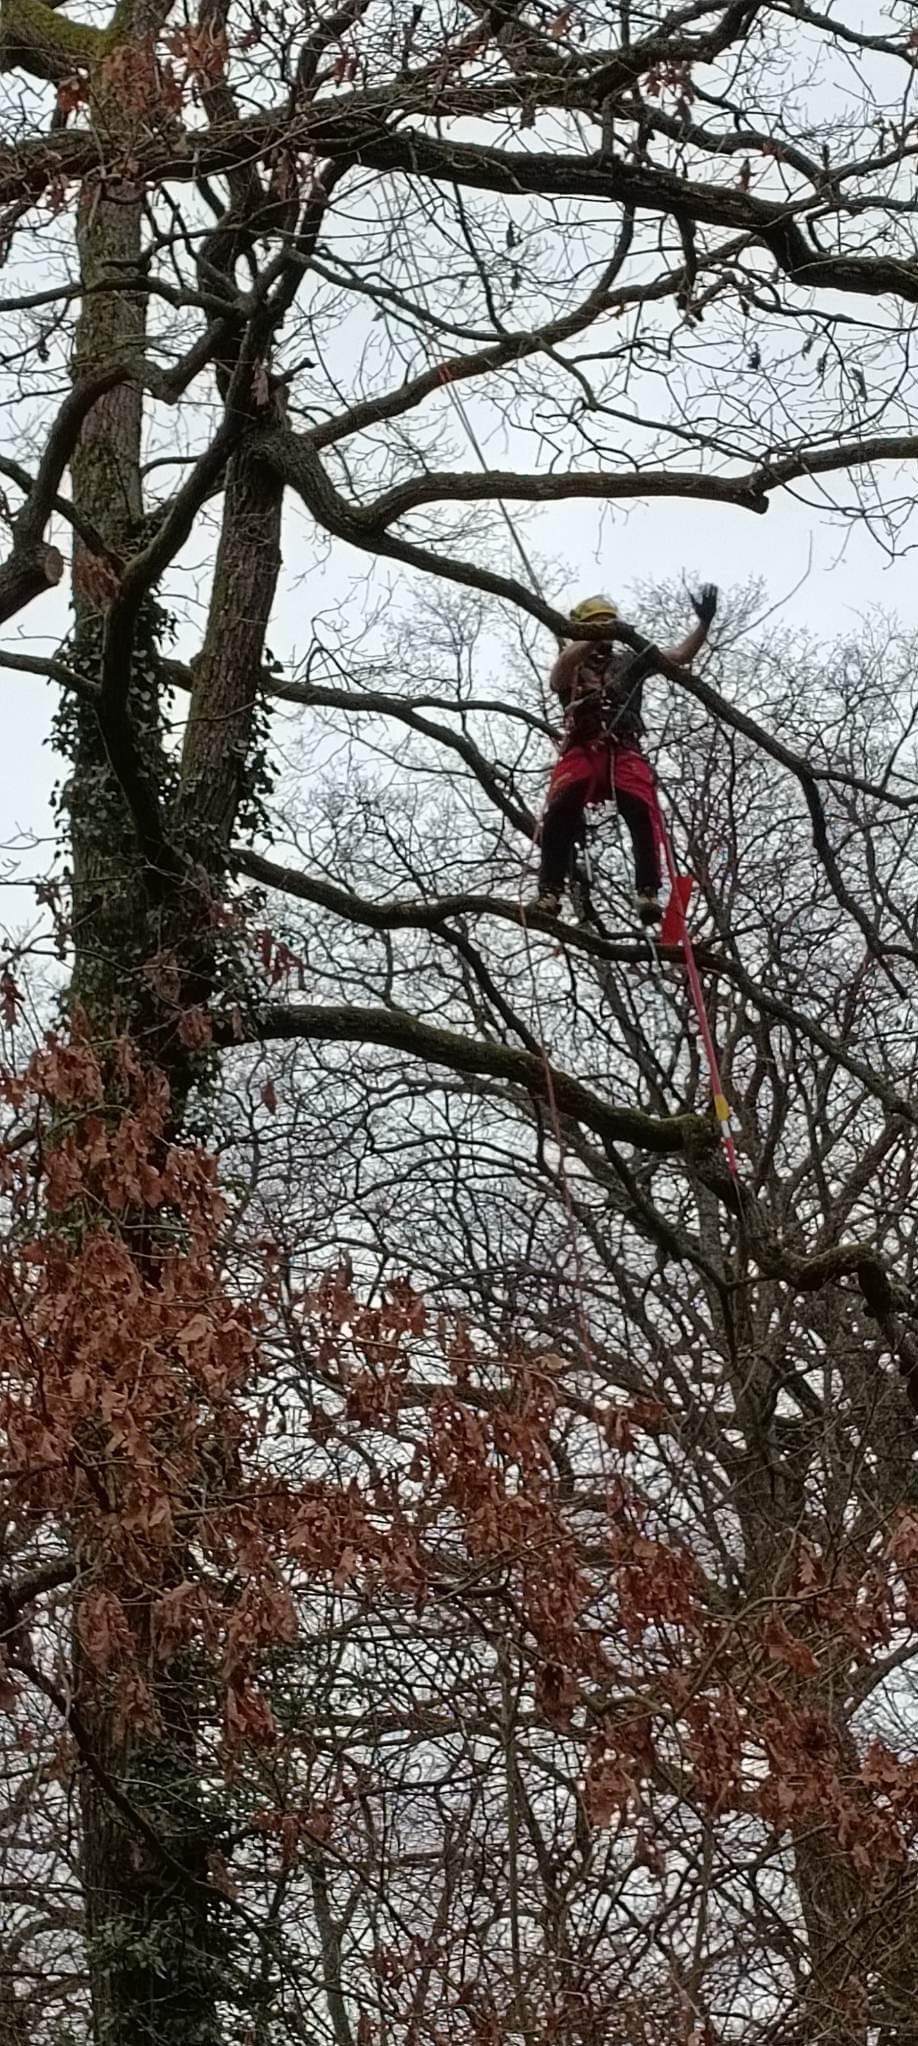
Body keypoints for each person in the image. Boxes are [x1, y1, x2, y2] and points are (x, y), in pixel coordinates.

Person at [533, 585, 718, 924]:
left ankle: (647, 891)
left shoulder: (629, 661)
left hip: (624, 746)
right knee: (561, 809)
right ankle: (549, 892)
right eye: (597, 628)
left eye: (607, 628)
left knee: (640, 808)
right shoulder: (571, 664)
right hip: (583, 746)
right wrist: (590, 637)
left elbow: (677, 656)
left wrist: (703, 626)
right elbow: (558, 676)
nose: (604, 637)